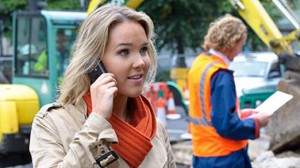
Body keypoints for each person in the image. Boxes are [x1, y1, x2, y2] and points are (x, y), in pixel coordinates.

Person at [29, 4, 176, 168]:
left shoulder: (156, 129)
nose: (140, 62)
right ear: (94, 63)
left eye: (143, 50)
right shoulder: (52, 122)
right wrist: (97, 121)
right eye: (124, 52)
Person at [188, 14, 271, 168]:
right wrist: (256, 123)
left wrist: (241, 115)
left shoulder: (200, 65)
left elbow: (209, 113)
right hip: (225, 157)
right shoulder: (221, 75)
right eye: (241, 44)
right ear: (232, 43)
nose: (240, 51)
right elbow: (226, 125)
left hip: (203, 155)